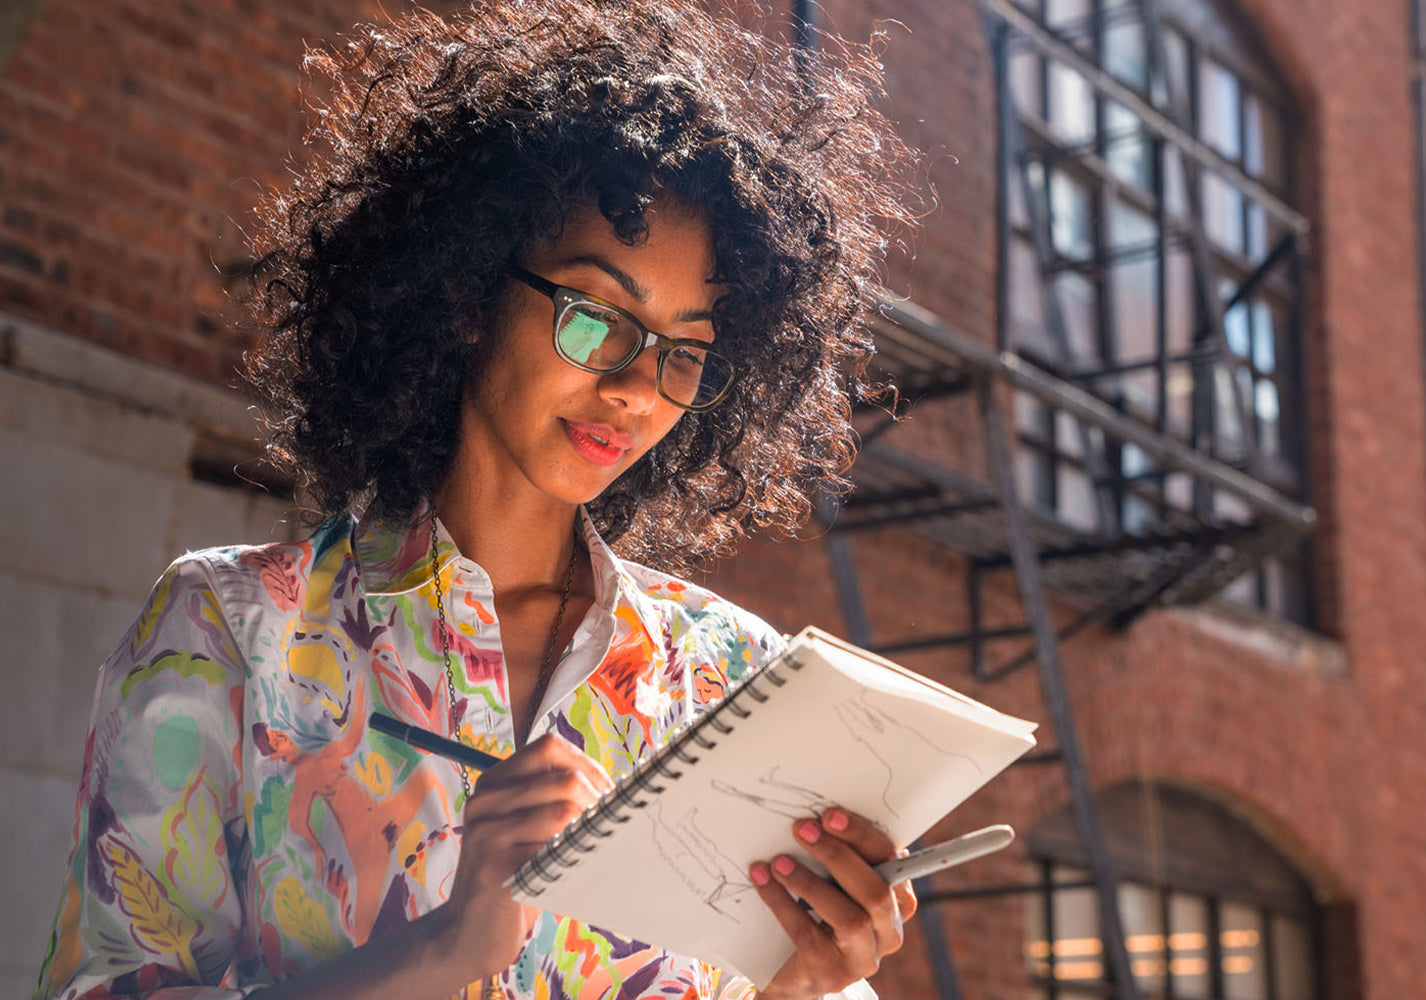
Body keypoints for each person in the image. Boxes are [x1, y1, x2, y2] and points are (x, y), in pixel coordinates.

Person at [33, 2, 920, 998]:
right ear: (467, 296)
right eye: (597, 316)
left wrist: (801, 983)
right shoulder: (234, 633)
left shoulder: (733, 682)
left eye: (683, 351)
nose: (637, 388)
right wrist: (444, 949)